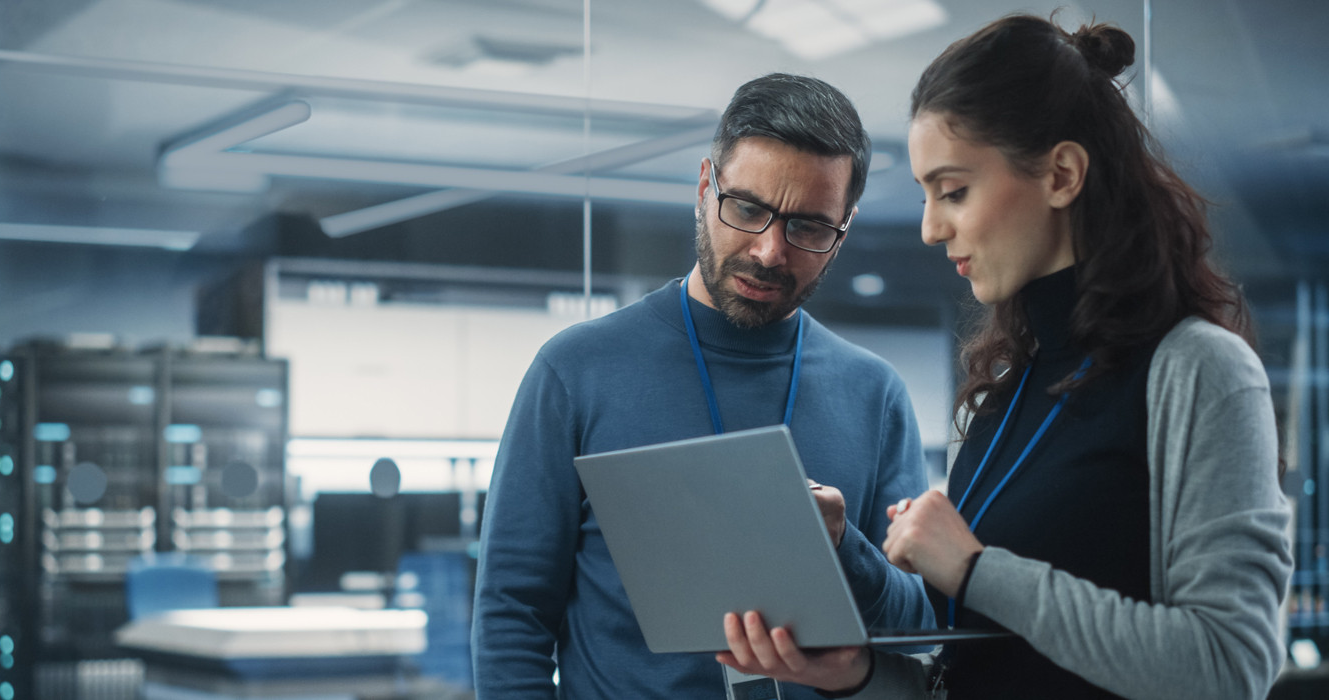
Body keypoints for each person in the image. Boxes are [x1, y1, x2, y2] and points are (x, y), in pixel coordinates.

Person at [718, 14, 1294, 700]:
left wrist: (975, 570)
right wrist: (853, 673)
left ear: (1061, 174)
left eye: (954, 191)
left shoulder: (1200, 371)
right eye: (929, 196)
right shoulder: (1005, 396)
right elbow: (977, 676)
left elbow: (1231, 667)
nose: (932, 228)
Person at [471, 73, 936, 699]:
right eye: (747, 209)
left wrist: (838, 546)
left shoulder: (874, 395)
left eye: (809, 227)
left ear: (843, 228)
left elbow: (916, 629)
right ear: (704, 187)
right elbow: (510, 616)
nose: (771, 251)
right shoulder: (576, 370)